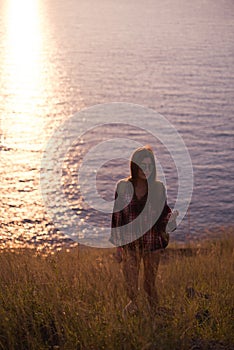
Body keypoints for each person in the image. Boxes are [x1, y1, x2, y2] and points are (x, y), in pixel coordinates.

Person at [110, 145, 177, 316]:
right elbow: (117, 219)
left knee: (149, 285)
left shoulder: (158, 188)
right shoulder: (123, 187)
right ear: (134, 166)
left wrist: (171, 221)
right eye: (142, 165)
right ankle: (136, 308)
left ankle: (154, 315)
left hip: (152, 243)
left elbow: (163, 215)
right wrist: (118, 248)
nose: (145, 169)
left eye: (149, 166)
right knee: (131, 286)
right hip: (130, 245)